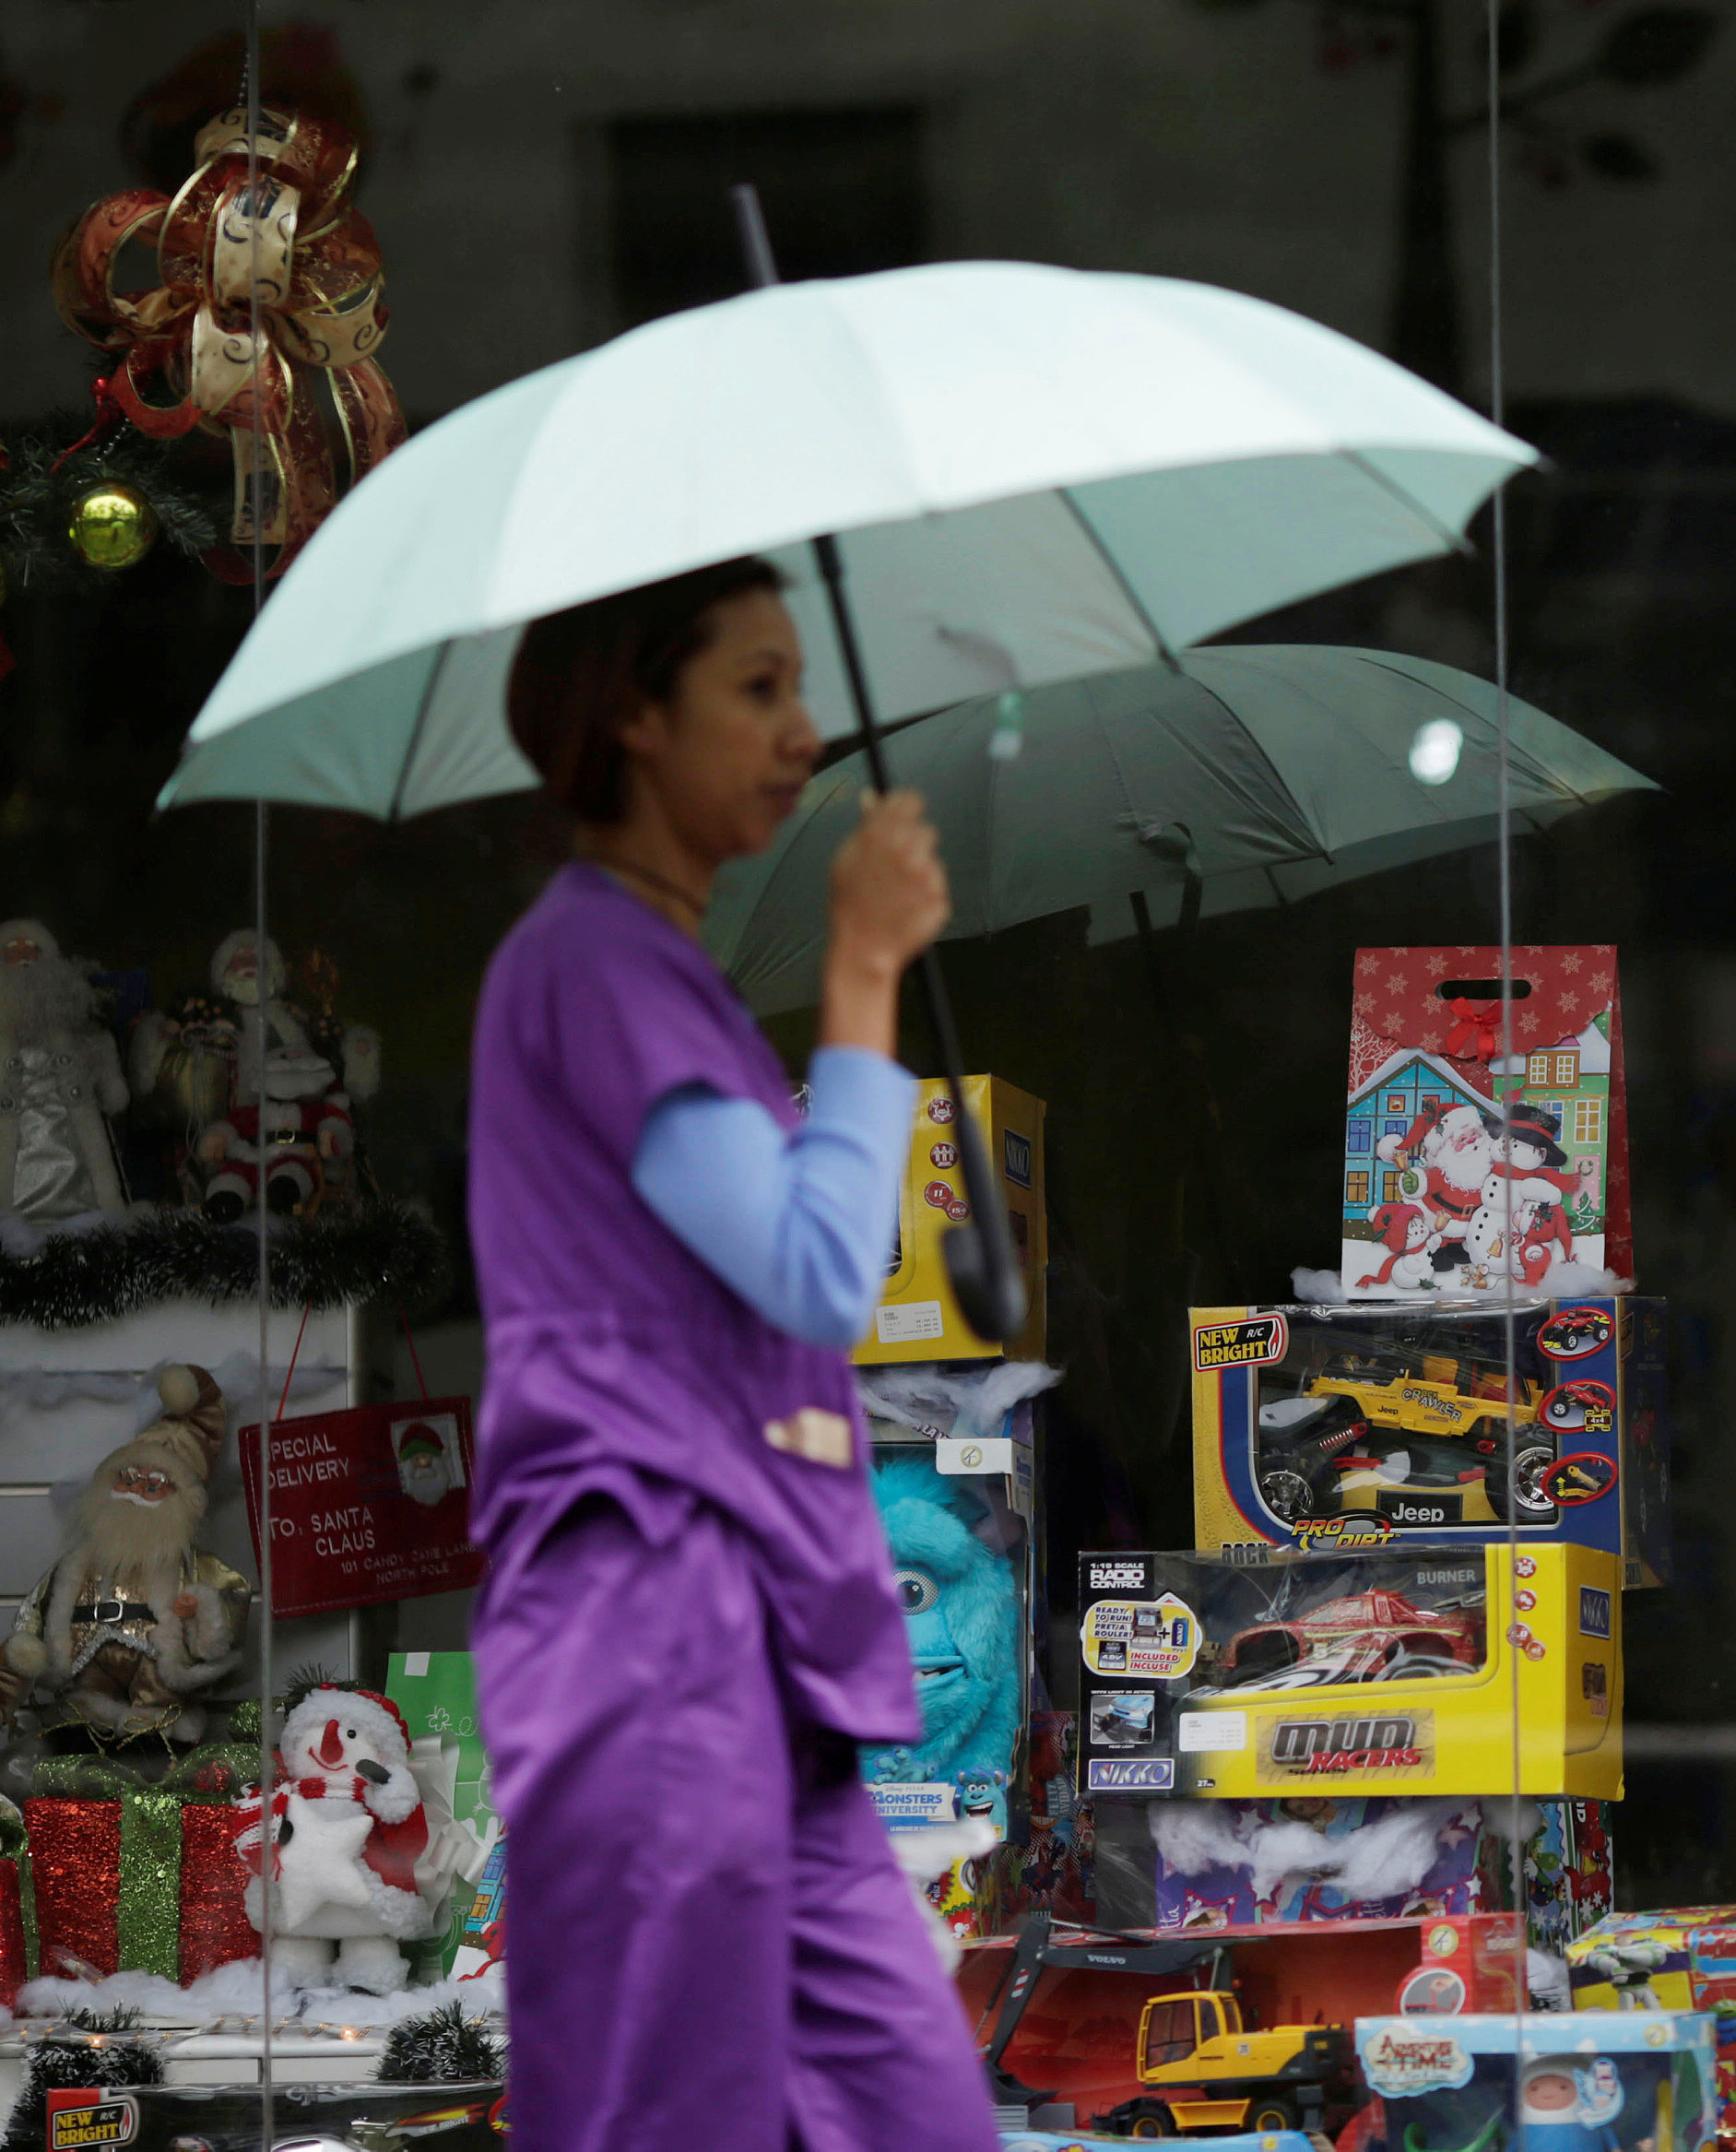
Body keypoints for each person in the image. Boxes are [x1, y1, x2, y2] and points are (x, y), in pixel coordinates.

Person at [466, 557, 995, 2152]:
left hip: (767, 1655)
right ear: (634, 713)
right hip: (652, 1632)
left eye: (800, 687)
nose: (803, 732)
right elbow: (816, 1272)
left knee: (920, 2117)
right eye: (755, 689)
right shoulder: (590, 963)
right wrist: (863, 975)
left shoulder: (660, 970)